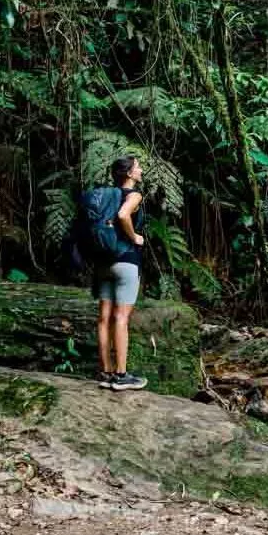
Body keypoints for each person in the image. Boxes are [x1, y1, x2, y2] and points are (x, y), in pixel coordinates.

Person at [95, 155, 148, 391]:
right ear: (129, 174)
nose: (141, 170)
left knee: (104, 317)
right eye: (138, 167)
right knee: (121, 317)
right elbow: (123, 215)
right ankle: (122, 375)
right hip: (126, 261)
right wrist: (134, 237)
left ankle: (106, 372)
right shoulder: (133, 195)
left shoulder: (106, 196)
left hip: (103, 263)